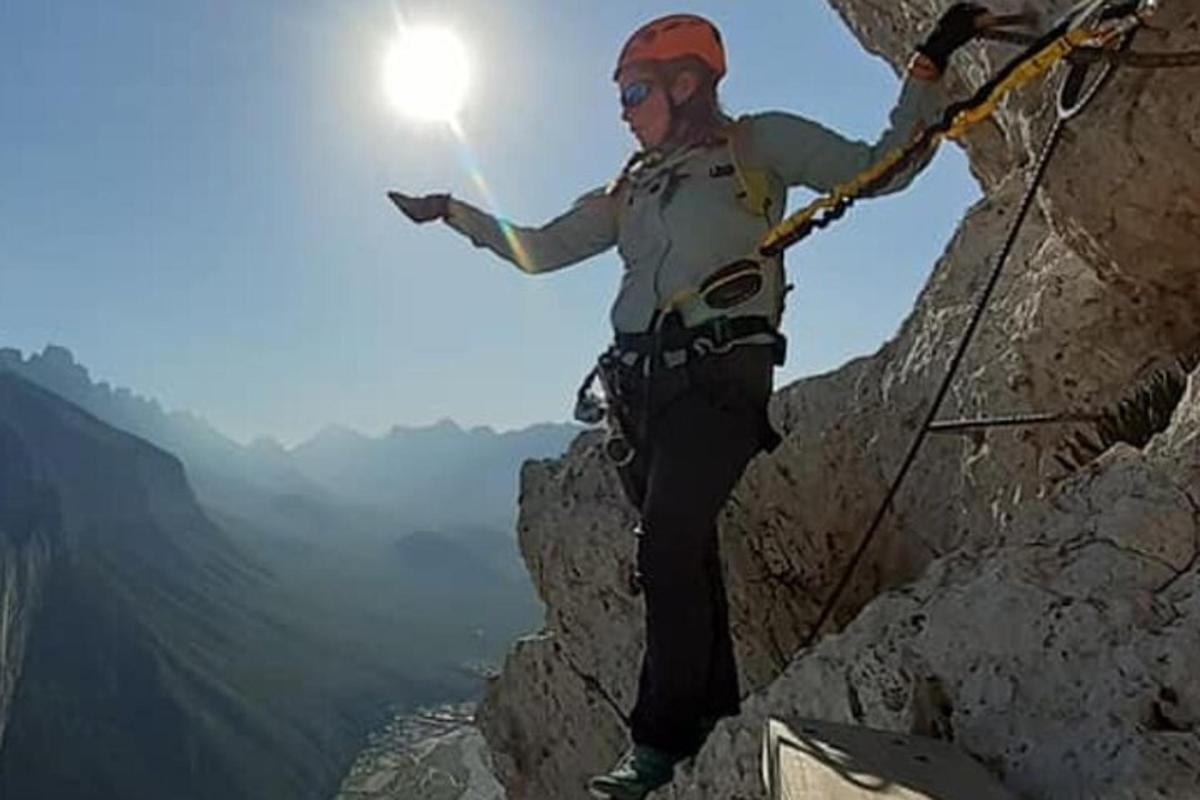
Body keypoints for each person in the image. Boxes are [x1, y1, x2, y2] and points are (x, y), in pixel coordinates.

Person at [389, 6, 987, 797]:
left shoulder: (755, 145)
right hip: (639, 395)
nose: (624, 111)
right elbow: (541, 250)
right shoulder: (630, 187)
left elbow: (882, 165)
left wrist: (926, 70)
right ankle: (714, 723)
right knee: (686, 554)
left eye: (634, 92)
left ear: (684, 82)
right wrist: (455, 214)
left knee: (666, 544)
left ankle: (657, 746)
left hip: (720, 380)